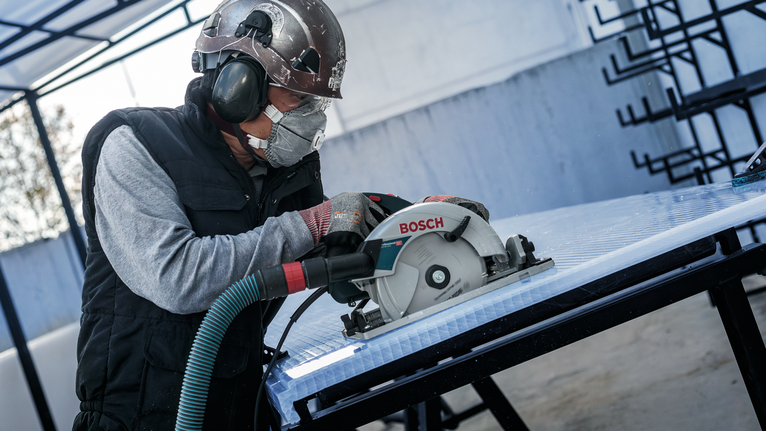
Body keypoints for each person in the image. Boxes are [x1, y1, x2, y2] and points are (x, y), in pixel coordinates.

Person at [74, 1, 487, 429]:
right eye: (301, 98)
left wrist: (424, 221)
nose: (312, 117)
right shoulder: (135, 144)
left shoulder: (283, 173)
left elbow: (336, 258)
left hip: (239, 410)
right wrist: (315, 223)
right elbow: (177, 277)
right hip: (140, 419)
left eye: (317, 103)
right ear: (239, 86)